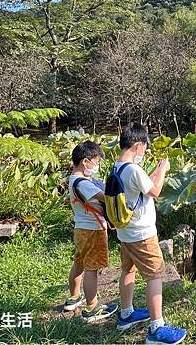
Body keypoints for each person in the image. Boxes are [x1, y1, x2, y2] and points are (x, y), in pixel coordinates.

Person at [114, 124, 186, 344]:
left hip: (125, 232)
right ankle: (157, 328)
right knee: (155, 275)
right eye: (144, 147)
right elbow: (154, 191)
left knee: (128, 269)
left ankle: (126, 314)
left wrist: (156, 169)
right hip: (142, 234)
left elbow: (144, 186)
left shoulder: (118, 167)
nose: (145, 151)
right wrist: (163, 171)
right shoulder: (134, 170)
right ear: (138, 145)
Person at [64, 140, 118, 322]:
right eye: (96, 162)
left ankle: (73, 298)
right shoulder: (83, 183)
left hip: (81, 228)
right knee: (91, 269)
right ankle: (92, 308)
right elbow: (106, 197)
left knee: (79, 263)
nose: (97, 165)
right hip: (92, 230)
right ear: (85, 161)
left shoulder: (75, 179)